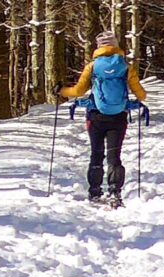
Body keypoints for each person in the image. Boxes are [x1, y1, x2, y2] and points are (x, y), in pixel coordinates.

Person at [59, 29, 147, 206]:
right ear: (115, 46)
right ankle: (115, 192)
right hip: (119, 117)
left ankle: (94, 192)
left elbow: (78, 91)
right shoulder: (125, 66)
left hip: (96, 116)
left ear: (98, 47)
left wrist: (62, 91)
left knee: (96, 154)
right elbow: (142, 95)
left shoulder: (92, 66)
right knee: (114, 156)